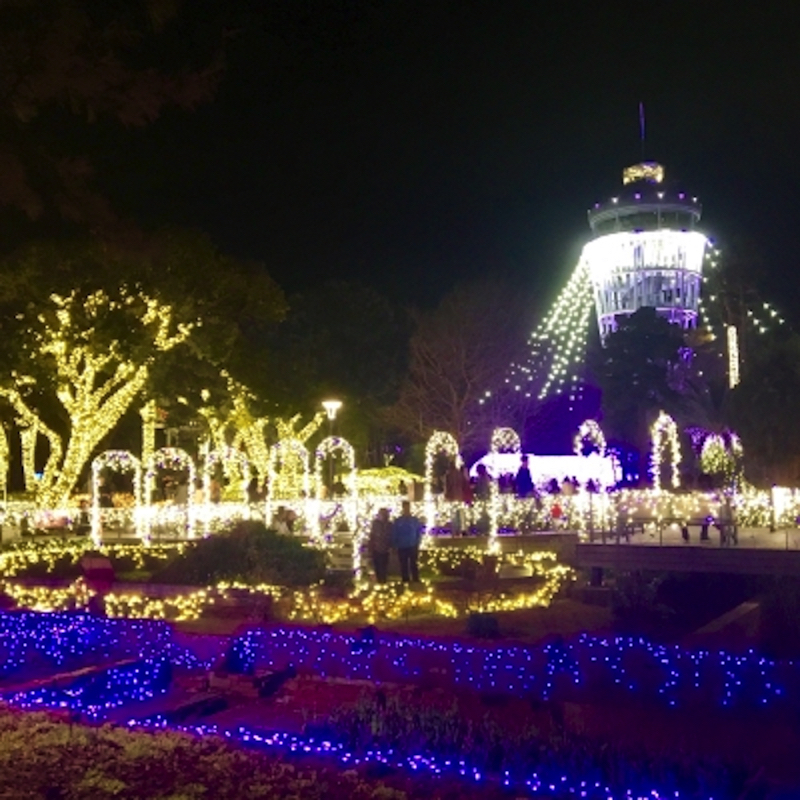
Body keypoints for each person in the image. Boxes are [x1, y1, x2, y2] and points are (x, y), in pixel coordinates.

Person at [391, 500, 424, 583]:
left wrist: (417, 542)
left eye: (408, 507)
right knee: (403, 564)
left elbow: (418, 532)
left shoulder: (414, 520)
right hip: (402, 546)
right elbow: (395, 533)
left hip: (412, 545)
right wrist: (394, 544)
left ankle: (415, 578)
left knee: (414, 563)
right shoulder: (398, 521)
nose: (406, 509)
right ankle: (405, 579)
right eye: (405, 507)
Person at [368, 508, 392, 583]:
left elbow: (391, 536)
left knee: (384, 566)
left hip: (385, 548)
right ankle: (378, 581)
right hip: (376, 548)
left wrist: (391, 546)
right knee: (377, 566)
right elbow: (372, 535)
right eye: (382, 514)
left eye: (385, 514)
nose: (383, 516)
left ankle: (383, 581)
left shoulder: (389, 524)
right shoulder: (375, 523)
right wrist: (371, 546)